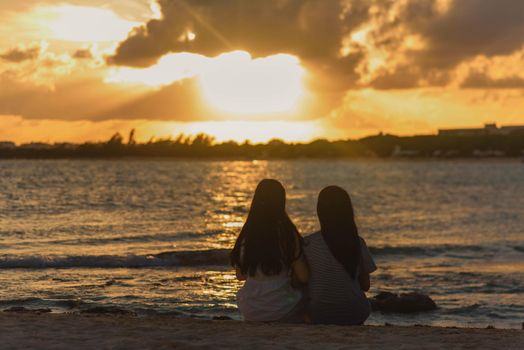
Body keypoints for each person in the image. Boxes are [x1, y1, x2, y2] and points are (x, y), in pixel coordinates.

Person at [230, 179, 309, 322]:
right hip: (282, 309)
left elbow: (240, 276)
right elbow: (304, 277)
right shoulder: (287, 233)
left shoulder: (247, 234)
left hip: (251, 309)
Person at [304, 186, 376, 325]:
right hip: (355, 313)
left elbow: (303, 281)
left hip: (318, 314)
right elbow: (366, 285)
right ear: (347, 212)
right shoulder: (357, 242)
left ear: (320, 211)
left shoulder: (307, 243)